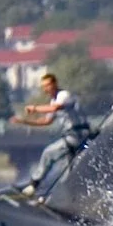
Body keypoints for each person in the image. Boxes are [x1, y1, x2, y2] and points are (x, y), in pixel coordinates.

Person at [14, 71, 92, 199]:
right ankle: (69, 196)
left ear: (55, 84)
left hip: (78, 135)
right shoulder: (53, 101)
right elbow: (46, 121)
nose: (46, 89)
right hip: (71, 136)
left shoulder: (64, 95)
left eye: (48, 85)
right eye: (44, 86)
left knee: (49, 153)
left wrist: (34, 108)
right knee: (69, 170)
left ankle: (34, 185)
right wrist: (23, 121)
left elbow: (55, 108)